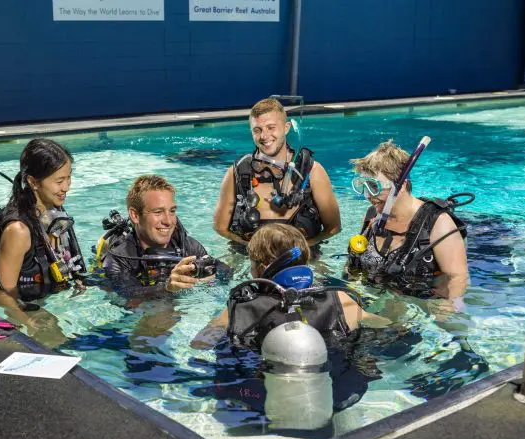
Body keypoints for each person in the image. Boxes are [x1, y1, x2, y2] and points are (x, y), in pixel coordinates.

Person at [191, 223, 388, 350]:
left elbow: (199, 344)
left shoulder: (241, 308)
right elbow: (389, 329)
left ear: (263, 267)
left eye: (252, 263)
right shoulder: (339, 299)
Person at [0, 138, 87, 343]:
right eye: (59, 181)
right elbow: (1, 294)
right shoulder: (18, 230)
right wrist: (29, 323)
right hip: (28, 310)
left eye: (68, 178)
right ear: (32, 182)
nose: (66, 187)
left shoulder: (54, 213)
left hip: (48, 300)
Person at [345, 140, 470, 307]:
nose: (367, 195)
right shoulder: (372, 216)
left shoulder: (437, 223)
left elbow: (458, 277)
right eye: (363, 186)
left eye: (374, 187)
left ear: (401, 186)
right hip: (377, 301)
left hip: (418, 306)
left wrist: (449, 308)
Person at [213, 98, 341, 249]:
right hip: (251, 257)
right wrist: (252, 249)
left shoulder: (312, 171)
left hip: (302, 259)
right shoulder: (238, 173)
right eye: (257, 130)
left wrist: (303, 250)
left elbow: (333, 227)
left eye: (271, 127)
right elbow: (220, 227)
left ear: (286, 128)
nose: (264, 136)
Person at [99, 175, 229, 299]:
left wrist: (213, 275)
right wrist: (167, 288)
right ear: (135, 215)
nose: (168, 221)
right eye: (158, 212)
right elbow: (127, 294)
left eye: (172, 211)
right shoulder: (119, 257)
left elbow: (225, 270)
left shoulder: (187, 246)